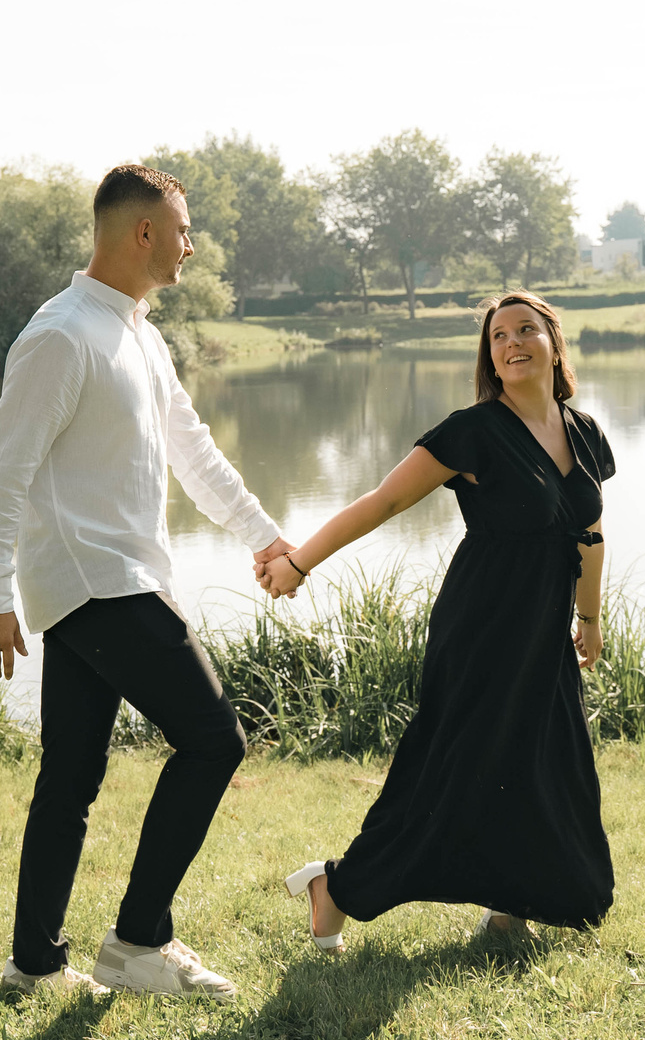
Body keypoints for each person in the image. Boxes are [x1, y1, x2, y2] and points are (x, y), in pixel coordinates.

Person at [0, 161, 296, 1001]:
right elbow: (3, 471)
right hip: (96, 582)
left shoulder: (139, 333)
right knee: (215, 739)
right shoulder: (62, 334)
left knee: (69, 777)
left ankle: (33, 965)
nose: (191, 246)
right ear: (143, 232)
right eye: (183, 229)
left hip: (118, 577)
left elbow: (195, 452)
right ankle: (140, 941)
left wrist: (263, 535)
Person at [258, 291, 615, 948]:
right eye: (498, 335)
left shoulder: (585, 430)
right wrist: (300, 562)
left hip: (545, 627)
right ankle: (335, 888)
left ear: (554, 342)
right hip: (482, 626)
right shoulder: (473, 430)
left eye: (526, 329)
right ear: (489, 355)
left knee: (543, 761)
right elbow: (383, 500)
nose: (512, 342)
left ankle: (511, 909)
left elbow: (589, 534)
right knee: (453, 770)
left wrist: (589, 617)